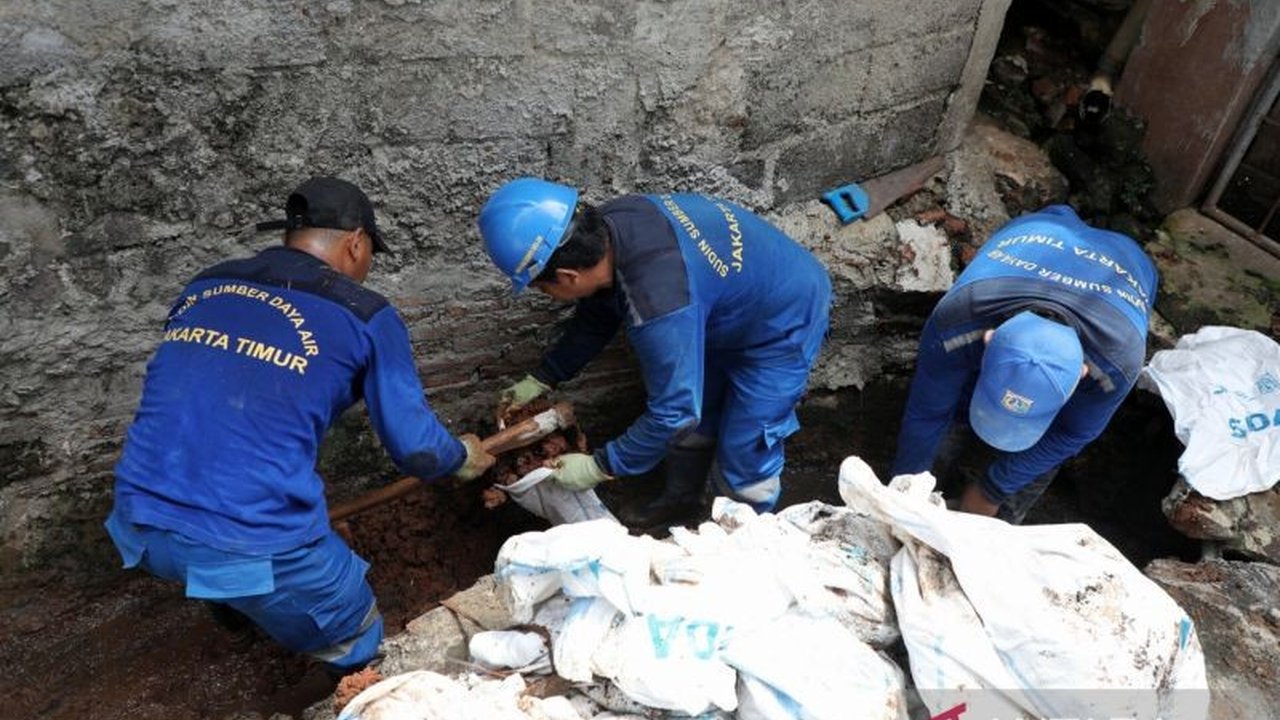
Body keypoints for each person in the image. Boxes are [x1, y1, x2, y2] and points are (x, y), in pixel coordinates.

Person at [105, 177, 495, 672]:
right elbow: (416, 449)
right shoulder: (365, 314)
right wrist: (460, 456)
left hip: (137, 523)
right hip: (250, 545)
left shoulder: (204, 285)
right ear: (356, 242)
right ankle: (344, 678)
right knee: (360, 634)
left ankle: (232, 603)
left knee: (211, 546)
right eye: (371, 251)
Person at [477, 177, 832, 528]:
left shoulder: (658, 301)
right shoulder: (611, 227)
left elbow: (674, 414)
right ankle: (681, 503)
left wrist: (601, 465)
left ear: (568, 276)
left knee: (746, 445)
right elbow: (599, 314)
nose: (546, 296)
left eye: (542, 289)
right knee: (700, 416)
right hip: (728, 304)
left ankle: (744, 536)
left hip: (784, 319)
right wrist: (545, 375)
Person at [890, 204, 1158, 523]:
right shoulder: (959, 319)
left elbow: (1070, 433)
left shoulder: (1116, 363)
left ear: (1081, 375)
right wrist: (903, 495)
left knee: (1016, 487)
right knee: (949, 417)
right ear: (987, 341)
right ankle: (953, 459)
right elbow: (927, 412)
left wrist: (992, 489)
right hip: (1039, 230)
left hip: (1129, 260)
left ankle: (997, 524)